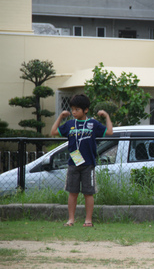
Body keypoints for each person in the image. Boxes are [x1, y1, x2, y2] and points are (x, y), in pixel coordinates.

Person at [50, 94, 113, 227]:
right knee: (72, 193)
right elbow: (54, 131)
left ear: (85, 110)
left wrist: (106, 116)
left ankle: (88, 220)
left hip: (88, 164)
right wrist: (61, 117)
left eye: (77, 109)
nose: (73, 112)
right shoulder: (69, 124)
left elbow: (109, 132)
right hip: (73, 164)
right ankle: (71, 219)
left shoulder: (93, 123)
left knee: (88, 193)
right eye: (72, 109)